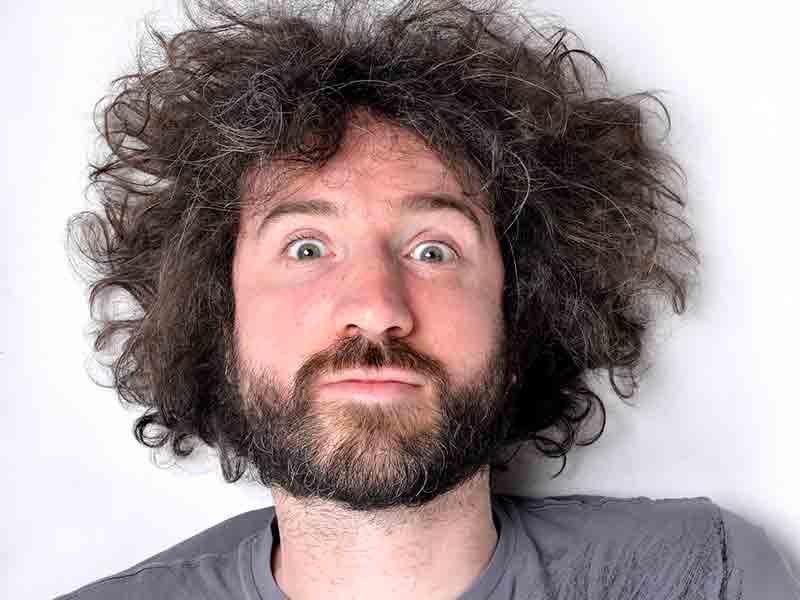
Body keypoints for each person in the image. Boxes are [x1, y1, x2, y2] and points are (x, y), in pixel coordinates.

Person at [59, 0, 799, 598]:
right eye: (307, 248)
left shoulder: (706, 577)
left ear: (520, 316)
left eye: (433, 250)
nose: (377, 306)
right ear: (219, 323)